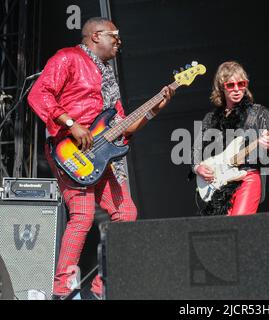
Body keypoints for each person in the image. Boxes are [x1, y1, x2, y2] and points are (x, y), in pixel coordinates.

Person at [27, 17, 174, 299]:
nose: (119, 42)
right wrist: (71, 123)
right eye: (115, 36)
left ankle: (100, 290)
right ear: (96, 36)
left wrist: (155, 109)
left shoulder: (109, 77)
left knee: (126, 213)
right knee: (82, 215)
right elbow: (39, 93)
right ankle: (61, 292)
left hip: (101, 155)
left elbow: (122, 125)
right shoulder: (68, 57)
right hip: (69, 150)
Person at [191, 61, 269, 216]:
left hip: (247, 177)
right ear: (221, 87)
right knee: (224, 231)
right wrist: (198, 168)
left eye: (241, 84)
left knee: (239, 226)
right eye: (231, 85)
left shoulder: (258, 113)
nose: (237, 89)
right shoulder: (210, 118)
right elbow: (196, 149)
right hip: (219, 182)